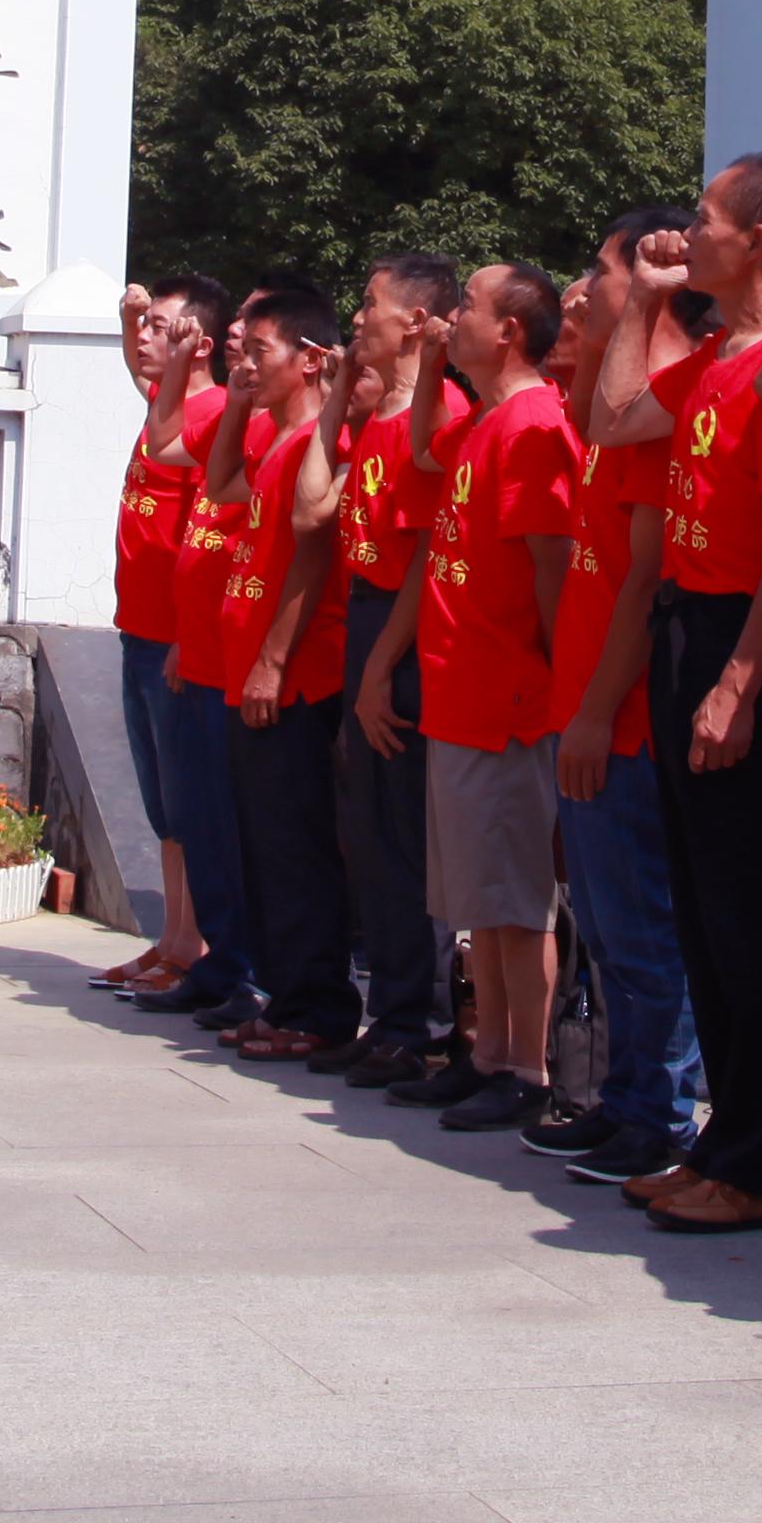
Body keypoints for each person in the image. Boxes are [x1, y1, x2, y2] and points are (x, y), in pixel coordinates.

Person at [583, 153, 762, 1233]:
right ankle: (727, 1139)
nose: (690, 236)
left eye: (707, 220)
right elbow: (615, 419)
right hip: (691, 623)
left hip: (754, 640)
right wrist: (645, 303)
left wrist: (740, 681)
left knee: (752, 907)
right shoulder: (719, 358)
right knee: (705, 905)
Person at [531, 214, 706, 1182]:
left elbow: (644, 581)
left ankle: (660, 1113)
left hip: (628, 717)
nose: (583, 290)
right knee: (606, 926)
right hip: (589, 705)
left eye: (599, 272)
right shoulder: (609, 411)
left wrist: (598, 711)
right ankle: (629, 1099)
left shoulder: (664, 405)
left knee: (644, 930)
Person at [390, 258, 582, 1129]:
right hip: (460, 695)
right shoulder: (486, 423)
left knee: (516, 900)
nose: (449, 316)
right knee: (483, 902)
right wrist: (430, 362)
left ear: (509, 330)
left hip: (508, 702)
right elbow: (428, 445)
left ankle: (526, 1066)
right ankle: (490, 1049)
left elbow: (554, 574)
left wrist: (544, 682)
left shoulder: (535, 421)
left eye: (464, 306)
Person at [213, 284, 366, 1063]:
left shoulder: (325, 445)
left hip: (299, 678)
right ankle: (286, 997)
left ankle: (319, 1006)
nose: (244, 360)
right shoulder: (276, 442)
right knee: (266, 846)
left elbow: (314, 552)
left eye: (259, 350)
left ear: (311, 361)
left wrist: (274, 658)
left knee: (299, 845)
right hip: (254, 675)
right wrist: (238, 406)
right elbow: (221, 489)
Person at [328, 253, 465, 1083]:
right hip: (368, 624)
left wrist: (380, 669)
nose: (358, 317)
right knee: (371, 834)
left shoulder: (441, 411)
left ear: (417, 320)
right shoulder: (380, 417)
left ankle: (421, 1022)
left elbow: (423, 557)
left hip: (404, 637)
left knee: (408, 836)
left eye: (372, 304)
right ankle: (391, 1012)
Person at [138, 293, 263, 1024]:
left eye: (253, 334)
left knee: (234, 824)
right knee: (195, 818)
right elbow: (166, 444)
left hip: (241, 662)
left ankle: (250, 971)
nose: (242, 341)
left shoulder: (290, 427)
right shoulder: (227, 416)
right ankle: (218, 960)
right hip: (199, 650)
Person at [102, 288, 229, 1002]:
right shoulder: (167, 404)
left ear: (197, 341)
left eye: (160, 328)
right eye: (144, 328)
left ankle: (197, 944)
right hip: (138, 628)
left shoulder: (208, 415)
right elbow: (138, 370)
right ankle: (177, 938)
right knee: (162, 804)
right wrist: (128, 322)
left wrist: (187, 633)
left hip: (175, 641)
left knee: (186, 802)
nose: (145, 340)